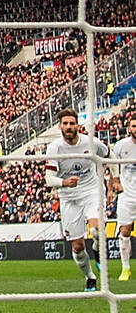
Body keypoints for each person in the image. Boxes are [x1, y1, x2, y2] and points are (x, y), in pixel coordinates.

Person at [45, 108, 113, 292]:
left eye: (71, 123)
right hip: (68, 197)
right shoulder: (54, 148)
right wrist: (64, 182)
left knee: (97, 229)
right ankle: (90, 277)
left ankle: (99, 252)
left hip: (91, 190)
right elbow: (49, 179)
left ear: (77, 125)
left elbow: (109, 156)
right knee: (77, 246)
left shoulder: (91, 143)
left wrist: (115, 179)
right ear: (59, 126)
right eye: (65, 123)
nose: (68, 127)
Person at [113, 113, 136, 281]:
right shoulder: (121, 146)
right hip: (127, 195)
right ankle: (125, 268)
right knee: (125, 230)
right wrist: (113, 186)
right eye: (134, 126)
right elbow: (113, 168)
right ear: (129, 127)